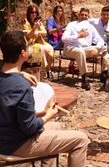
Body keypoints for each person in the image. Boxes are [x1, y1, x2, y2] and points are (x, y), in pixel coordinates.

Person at [0, 31, 90, 167]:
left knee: (58, 126)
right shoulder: (21, 86)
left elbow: (8, 110)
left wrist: (21, 74)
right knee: (81, 140)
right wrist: (48, 115)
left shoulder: (6, 78)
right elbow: (29, 128)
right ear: (23, 53)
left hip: (6, 136)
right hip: (17, 143)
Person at [61, 7, 107, 90]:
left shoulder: (90, 27)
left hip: (85, 49)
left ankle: (104, 73)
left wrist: (96, 48)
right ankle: (84, 78)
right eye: (82, 14)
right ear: (79, 15)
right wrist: (78, 36)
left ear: (88, 17)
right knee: (80, 52)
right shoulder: (72, 25)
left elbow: (100, 40)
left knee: (105, 48)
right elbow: (63, 39)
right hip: (71, 48)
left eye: (86, 15)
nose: (84, 16)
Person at [89, 6, 109, 91]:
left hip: (105, 45)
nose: (105, 16)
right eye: (104, 15)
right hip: (94, 44)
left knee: (107, 52)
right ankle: (106, 75)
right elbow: (84, 22)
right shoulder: (93, 22)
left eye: (107, 15)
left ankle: (104, 74)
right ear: (101, 14)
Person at [23, 5, 54, 78]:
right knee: (41, 48)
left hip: (39, 41)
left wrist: (35, 32)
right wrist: (35, 28)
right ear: (28, 13)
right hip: (30, 44)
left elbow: (44, 32)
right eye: (32, 12)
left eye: (35, 12)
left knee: (50, 48)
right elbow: (28, 36)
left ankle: (47, 70)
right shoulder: (25, 22)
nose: (34, 14)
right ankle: (43, 71)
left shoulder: (38, 22)